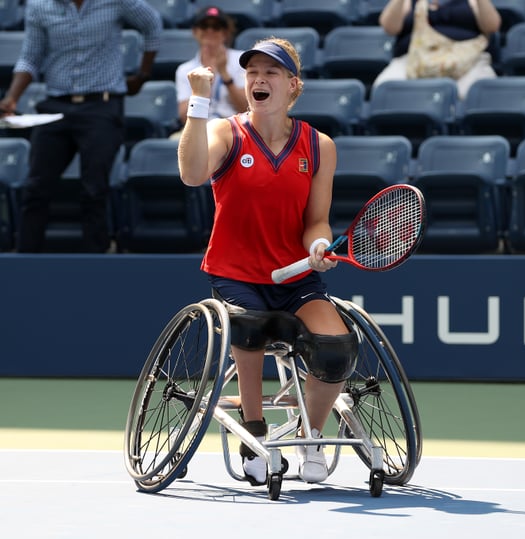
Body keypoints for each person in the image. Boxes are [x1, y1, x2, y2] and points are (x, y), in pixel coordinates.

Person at [178, 38, 358, 486]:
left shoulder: (319, 146)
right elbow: (192, 174)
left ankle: (309, 434)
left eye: (271, 73)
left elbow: (317, 220)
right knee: (250, 323)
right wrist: (199, 102)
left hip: (295, 277)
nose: (258, 80)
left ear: (292, 86)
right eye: (252, 72)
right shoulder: (226, 132)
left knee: (336, 350)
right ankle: (254, 428)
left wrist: (318, 247)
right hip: (235, 271)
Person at [0, 0, 163, 253]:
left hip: (101, 104)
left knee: (94, 189)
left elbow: (152, 24)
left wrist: (143, 75)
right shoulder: (40, 6)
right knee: (35, 188)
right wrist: (12, 97)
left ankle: (95, 263)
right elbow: (30, 58)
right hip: (56, 104)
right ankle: (25, 259)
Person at [373, 0, 501, 100]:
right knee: (384, 87)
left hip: (468, 62)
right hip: (414, 61)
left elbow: (492, 26)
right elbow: (389, 27)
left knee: (482, 89)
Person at [173, 6, 247, 131]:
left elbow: (247, 108)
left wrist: (224, 74)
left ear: (225, 33)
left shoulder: (242, 60)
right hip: (199, 130)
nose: (210, 31)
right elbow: (184, 116)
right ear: (195, 32)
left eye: (216, 27)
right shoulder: (185, 69)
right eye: (204, 26)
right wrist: (205, 85)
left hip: (235, 128)